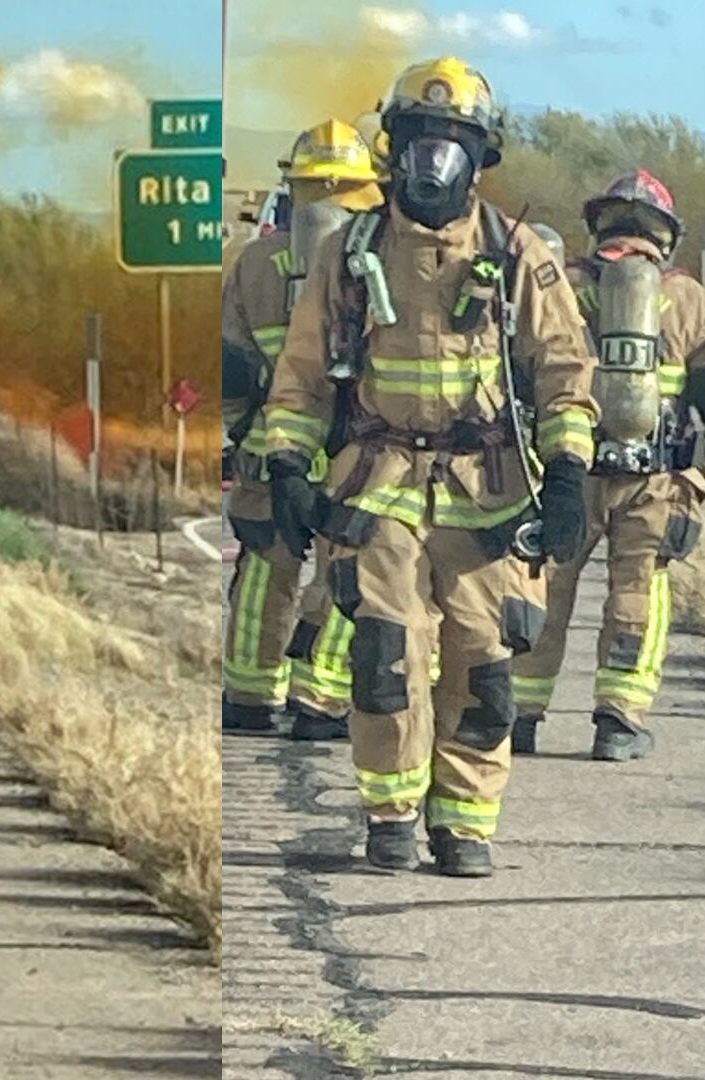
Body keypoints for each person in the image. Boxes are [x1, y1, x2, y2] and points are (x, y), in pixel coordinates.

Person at [259, 57, 598, 877]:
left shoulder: (519, 256)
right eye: (420, 140)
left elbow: (563, 372)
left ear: (481, 156)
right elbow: (302, 375)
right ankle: (389, 813)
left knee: (484, 663)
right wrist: (288, 466)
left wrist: (567, 475)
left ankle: (465, 823)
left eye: (454, 144)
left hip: (488, 495)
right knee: (385, 654)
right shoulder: (349, 252)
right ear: (394, 146)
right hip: (376, 488)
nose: (434, 161)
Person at [510, 170, 705, 762]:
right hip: (656, 479)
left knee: (545, 583)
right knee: (638, 591)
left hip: (570, 467)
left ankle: (519, 714)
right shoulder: (689, 299)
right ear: (665, 236)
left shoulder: (561, 287)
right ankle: (620, 721)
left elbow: (520, 368)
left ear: (598, 226)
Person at [221, 119, 382, 733]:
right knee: (353, 567)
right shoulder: (379, 260)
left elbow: (233, 369)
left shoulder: (255, 262)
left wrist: (243, 436)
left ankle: (249, 695)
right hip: (356, 452)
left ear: (296, 188)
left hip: (272, 448)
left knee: (266, 567)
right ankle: (319, 700)